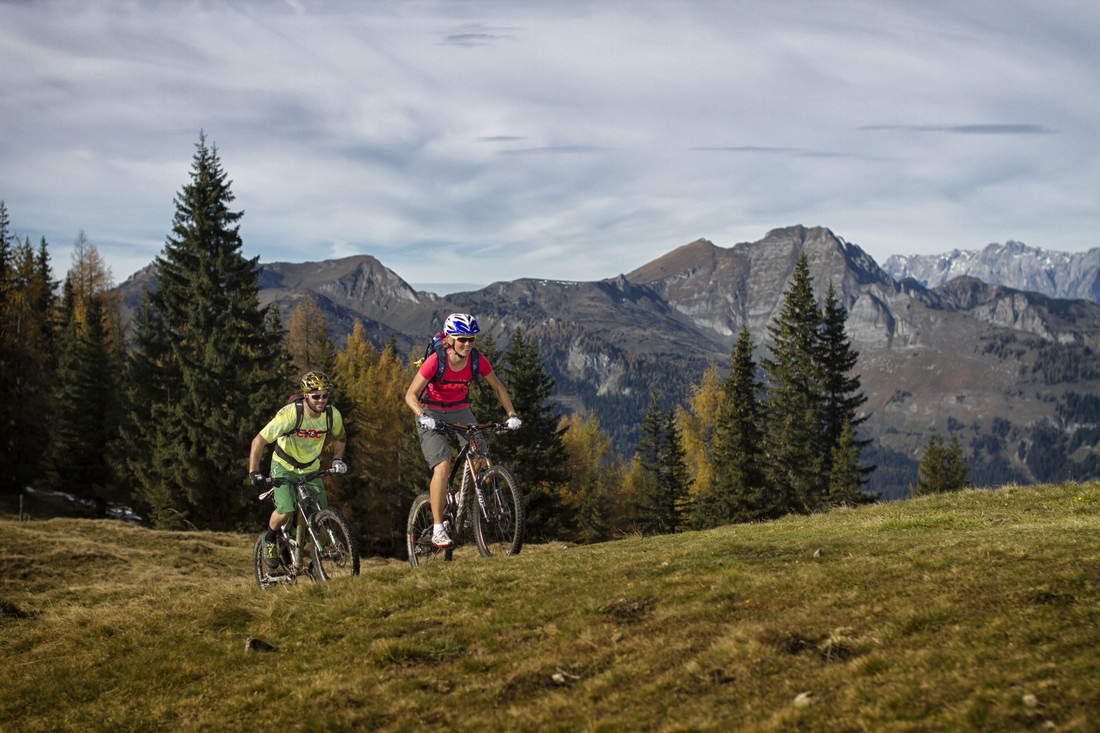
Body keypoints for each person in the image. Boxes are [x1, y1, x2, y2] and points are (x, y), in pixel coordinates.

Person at [404, 313, 521, 548]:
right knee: (443, 465)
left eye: (471, 339)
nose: (467, 344)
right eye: (462, 339)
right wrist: (422, 415)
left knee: (480, 456)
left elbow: (497, 387)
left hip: (460, 411)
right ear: (450, 339)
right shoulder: (435, 361)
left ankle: (461, 497)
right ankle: (438, 528)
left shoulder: (476, 359)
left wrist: (512, 414)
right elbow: (410, 395)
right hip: (431, 412)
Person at [249, 370, 348, 568]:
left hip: (311, 468)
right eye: (316, 396)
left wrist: (337, 459)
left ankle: (315, 565)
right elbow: (259, 441)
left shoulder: (331, 415)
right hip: (284, 466)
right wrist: (254, 472)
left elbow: (340, 437)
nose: (321, 400)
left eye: (325, 395)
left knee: (320, 514)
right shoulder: (290, 415)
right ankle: (270, 538)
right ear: (305, 395)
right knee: (286, 510)